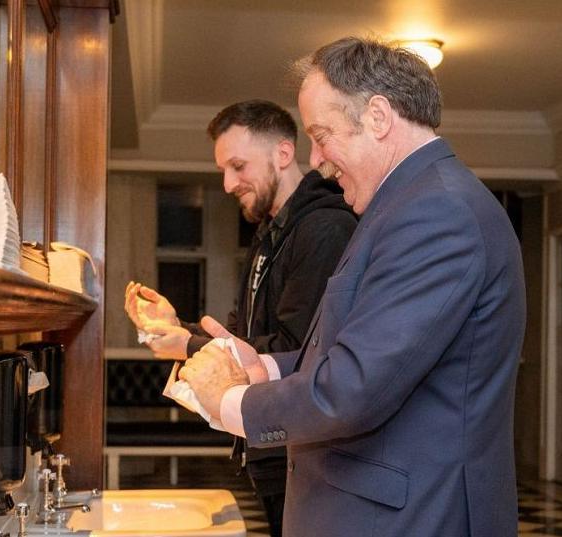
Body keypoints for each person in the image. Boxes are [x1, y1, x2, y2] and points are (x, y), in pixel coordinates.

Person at [178, 37, 526, 537]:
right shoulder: (403, 206)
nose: (315, 158)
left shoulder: (436, 213)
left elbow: (353, 389)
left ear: (379, 117)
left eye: (321, 135)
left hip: (414, 518)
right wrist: (266, 367)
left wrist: (230, 403)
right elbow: (351, 351)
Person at [124, 100, 357, 536]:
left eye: (237, 166)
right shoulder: (271, 232)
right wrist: (180, 328)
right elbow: (244, 336)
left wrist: (188, 347)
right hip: (271, 441)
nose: (229, 183)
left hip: (302, 448)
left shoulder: (324, 229)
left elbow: (299, 350)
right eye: (224, 170)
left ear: (283, 154)